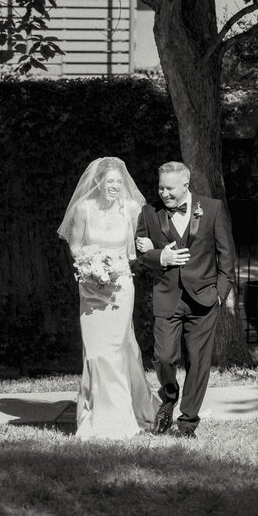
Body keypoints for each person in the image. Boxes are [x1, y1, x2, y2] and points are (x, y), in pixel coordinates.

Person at [58, 156, 158, 439]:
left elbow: (138, 248)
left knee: (116, 348)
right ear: (98, 182)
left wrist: (123, 261)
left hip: (120, 286)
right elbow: (76, 246)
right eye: (109, 181)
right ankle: (94, 410)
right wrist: (90, 265)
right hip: (90, 288)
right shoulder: (83, 209)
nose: (114, 186)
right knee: (95, 350)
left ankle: (121, 414)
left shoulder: (131, 208)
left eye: (118, 182)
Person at [134, 161, 236, 438]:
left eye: (169, 188)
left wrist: (220, 293)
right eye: (160, 187)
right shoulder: (149, 213)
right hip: (167, 296)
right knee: (164, 356)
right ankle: (169, 397)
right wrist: (160, 257)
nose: (163, 193)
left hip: (204, 299)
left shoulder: (212, 209)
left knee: (198, 362)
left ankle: (188, 423)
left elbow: (226, 254)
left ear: (186, 186)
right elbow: (140, 252)